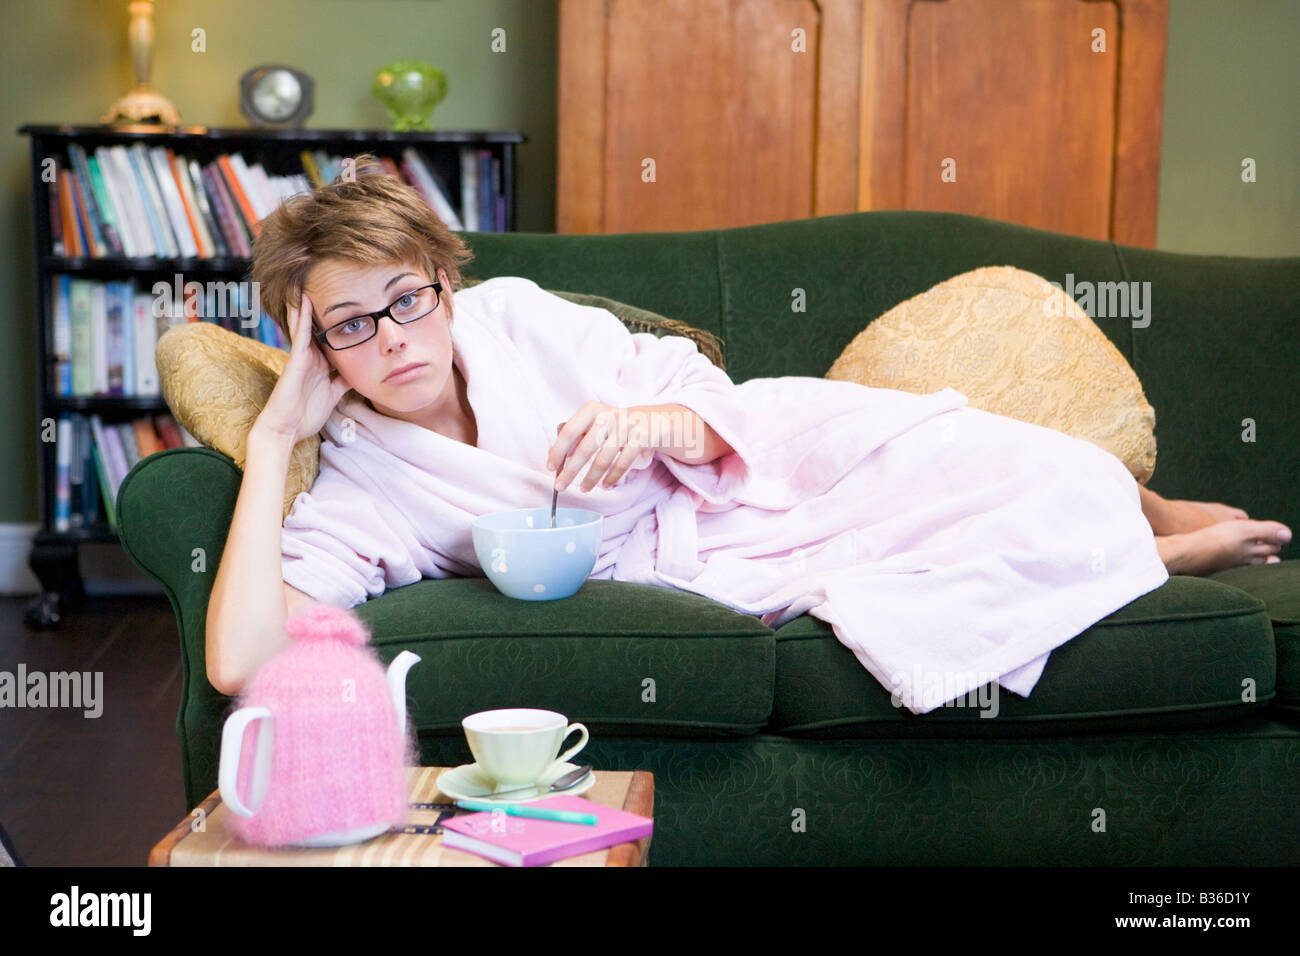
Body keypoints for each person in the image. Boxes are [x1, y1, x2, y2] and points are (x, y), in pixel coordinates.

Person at [204, 155, 1291, 708]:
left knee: (988, 447)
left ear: (445, 283)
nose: (394, 338)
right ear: (314, 346)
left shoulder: (516, 317)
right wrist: (273, 443)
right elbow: (240, 660)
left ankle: (1149, 508)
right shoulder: (364, 479)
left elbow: (690, 380)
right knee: (925, 570)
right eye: (351, 324)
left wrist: (644, 424)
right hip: (706, 553)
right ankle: (1152, 556)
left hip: (757, 448)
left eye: (406, 298)